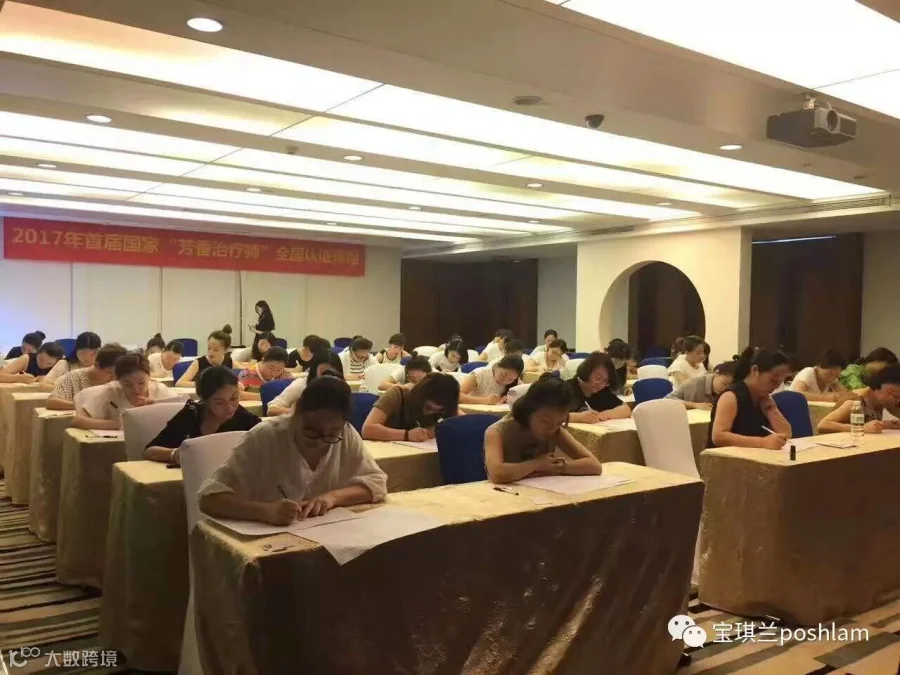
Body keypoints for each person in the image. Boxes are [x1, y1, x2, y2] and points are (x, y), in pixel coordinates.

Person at [199, 377, 387, 525]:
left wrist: (332, 498)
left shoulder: (345, 434)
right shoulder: (264, 438)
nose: (321, 442)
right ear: (295, 412)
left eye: (331, 434)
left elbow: (376, 483)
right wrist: (265, 511)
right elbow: (209, 500)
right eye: (311, 431)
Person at [484, 376, 603, 484]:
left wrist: (557, 467)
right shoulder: (497, 432)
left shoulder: (555, 430)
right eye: (545, 421)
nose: (552, 428)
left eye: (559, 422)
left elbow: (594, 465)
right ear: (529, 410)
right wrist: (537, 464)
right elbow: (497, 474)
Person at [145, 366, 261, 464]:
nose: (230, 408)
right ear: (204, 400)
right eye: (219, 403)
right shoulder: (191, 415)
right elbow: (149, 451)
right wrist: (175, 454)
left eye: (234, 398)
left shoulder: (244, 418)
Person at [708, 347, 793, 449]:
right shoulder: (731, 396)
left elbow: (786, 434)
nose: (775, 386)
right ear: (754, 370)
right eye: (773, 380)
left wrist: (772, 410)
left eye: (780, 382)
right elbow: (718, 437)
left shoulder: (764, 398)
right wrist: (762, 442)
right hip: (725, 456)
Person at [72, 353, 179, 430]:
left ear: (149, 376)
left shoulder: (160, 391)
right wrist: (117, 424)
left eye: (141, 382)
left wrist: (157, 409)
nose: (136, 389)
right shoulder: (110, 392)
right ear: (117, 380)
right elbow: (77, 421)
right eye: (127, 385)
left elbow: (182, 416)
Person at [362, 372, 460, 442]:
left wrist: (435, 429)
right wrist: (407, 435)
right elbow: (367, 430)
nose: (429, 412)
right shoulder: (397, 395)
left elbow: (461, 422)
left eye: (438, 411)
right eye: (428, 407)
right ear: (420, 396)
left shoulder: (446, 404)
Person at [818, 365, 900, 434]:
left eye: (898, 396)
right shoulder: (854, 402)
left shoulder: (880, 402)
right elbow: (822, 425)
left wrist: (890, 424)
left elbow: (871, 425)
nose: (895, 400)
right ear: (877, 384)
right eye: (890, 393)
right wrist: (861, 428)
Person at [47, 344, 128, 410]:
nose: (113, 379)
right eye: (110, 373)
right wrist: (85, 406)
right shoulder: (75, 377)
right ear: (97, 365)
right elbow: (52, 402)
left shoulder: (121, 382)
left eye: (117, 375)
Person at [267, 351, 343, 416]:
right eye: (323, 371)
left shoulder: (340, 388)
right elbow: (272, 409)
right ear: (314, 369)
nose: (327, 377)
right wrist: (298, 413)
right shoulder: (302, 385)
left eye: (332, 373)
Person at [566, 352, 632, 423]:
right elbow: (556, 416)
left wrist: (605, 414)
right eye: (597, 378)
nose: (600, 384)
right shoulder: (565, 389)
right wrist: (578, 417)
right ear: (586, 371)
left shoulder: (602, 391)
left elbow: (626, 410)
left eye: (605, 381)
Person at [666, 361, 736, 411]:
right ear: (716, 373)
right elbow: (667, 400)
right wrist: (694, 405)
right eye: (724, 384)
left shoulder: (734, 391)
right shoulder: (694, 383)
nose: (725, 389)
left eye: (730, 387)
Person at [790, 350, 855, 404]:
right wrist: (829, 397)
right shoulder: (808, 372)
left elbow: (845, 394)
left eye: (836, 375)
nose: (832, 378)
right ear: (819, 366)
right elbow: (798, 394)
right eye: (829, 374)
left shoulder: (832, 379)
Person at [459, 355, 524, 404]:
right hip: (473, 414)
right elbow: (458, 396)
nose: (504, 381)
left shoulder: (516, 381)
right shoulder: (480, 374)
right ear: (498, 366)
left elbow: (525, 398)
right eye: (503, 375)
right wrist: (485, 400)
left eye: (510, 380)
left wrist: (512, 400)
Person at [0, 342, 65, 384]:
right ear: (37, 352)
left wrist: (48, 379)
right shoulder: (26, 359)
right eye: (41, 359)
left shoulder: (61, 364)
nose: (43, 365)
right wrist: (18, 378)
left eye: (49, 364)